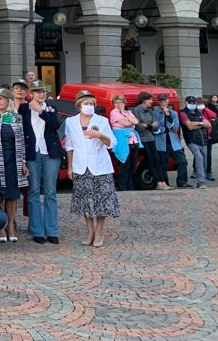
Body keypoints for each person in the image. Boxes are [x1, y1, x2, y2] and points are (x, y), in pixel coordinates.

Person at [64, 91, 120, 247]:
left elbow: (112, 142)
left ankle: (99, 232)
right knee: (85, 202)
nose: (89, 106)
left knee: (102, 201)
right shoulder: (71, 122)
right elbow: (69, 145)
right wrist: (70, 167)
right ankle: (90, 231)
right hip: (80, 166)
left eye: (91, 104)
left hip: (100, 166)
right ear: (79, 105)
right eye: (86, 103)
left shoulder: (102, 120)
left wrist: (100, 135)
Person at [0, 89, 27, 242]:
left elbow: (21, 140)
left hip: (13, 159)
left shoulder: (16, 117)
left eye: (2, 98)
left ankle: (10, 226)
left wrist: (23, 161)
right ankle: (1, 227)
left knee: (13, 195)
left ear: (8, 100)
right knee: (0, 193)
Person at [20, 81, 60, 245]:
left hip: (50, 152)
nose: (40, 95)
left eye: (42, 91)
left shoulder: (50, 108)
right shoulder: (24, 109)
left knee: (50, 191)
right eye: (37, 92)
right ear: (31, 94)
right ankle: (37, 229)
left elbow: (55, 124)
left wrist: (41, 111)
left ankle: (52, 230)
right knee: (33, 191)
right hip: (32, 153)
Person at [132, 91, 169, 190]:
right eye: (150, 100)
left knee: (156, 159)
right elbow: (138, 126)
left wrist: (148, 125)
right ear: (144, 100)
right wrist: (150, 125)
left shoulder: (150, 111)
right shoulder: (136, 110)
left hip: (151, 137)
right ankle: (158, 182)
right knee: (149, 160)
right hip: (142, 138)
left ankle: (163, 181)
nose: (152, 102)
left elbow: (156, 125)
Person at [154, 94, 189, 188]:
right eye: (161, 101)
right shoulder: (154, 113)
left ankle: (182, 182)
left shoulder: (173, 113)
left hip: (174, 143)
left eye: (164, 101)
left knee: (182, 161)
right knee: (163, 165)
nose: (163, 103)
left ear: (168, 101)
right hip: (160, 143)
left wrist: (168, 115)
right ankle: (166, 183)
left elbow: (175, 128)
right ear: (158, 102)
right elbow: (155, 128)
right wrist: (164, 129)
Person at [109, 94, 140, 192]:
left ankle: (130, 185)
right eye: (116, 102)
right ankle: (123, 186)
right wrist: (129, 122)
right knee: (125, 164)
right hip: (122, 140)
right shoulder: (114, 112)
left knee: (132, 164)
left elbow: (136, 121)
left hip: (133, 140)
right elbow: (126, 123)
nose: (119, 104)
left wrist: (125, 114)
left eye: (120, 102)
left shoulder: (128, 112)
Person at [180, 95, 212, 188]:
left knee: (205, 161)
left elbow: (208, 124)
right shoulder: (183, 113)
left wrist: (198, 123)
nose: (192, 104)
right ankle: (201, 181)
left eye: (194, 102)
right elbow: (189, 126)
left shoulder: (198, 112)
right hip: (192, 140)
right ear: (186, 102)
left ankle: (200, 180)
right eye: (190, 102)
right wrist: (202, 124)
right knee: (199, 158)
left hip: (203, 140)